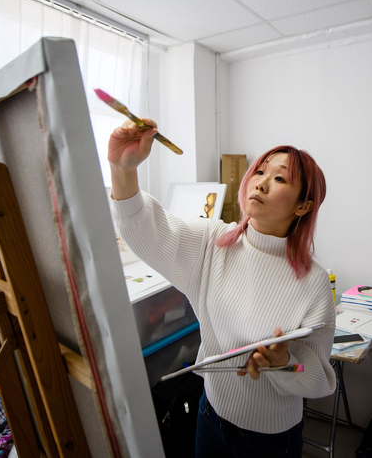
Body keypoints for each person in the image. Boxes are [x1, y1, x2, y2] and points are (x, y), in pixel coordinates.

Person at [107, 118, 336, 457]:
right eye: (260, 171)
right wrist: (122, 169)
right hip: (210, 416)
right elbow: (147, 230)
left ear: (303, 206)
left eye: (279, 178)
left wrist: (284, 362)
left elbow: (317, 378)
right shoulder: (213, 242)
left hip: (270, 440)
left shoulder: (313, 282)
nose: (261, 183)